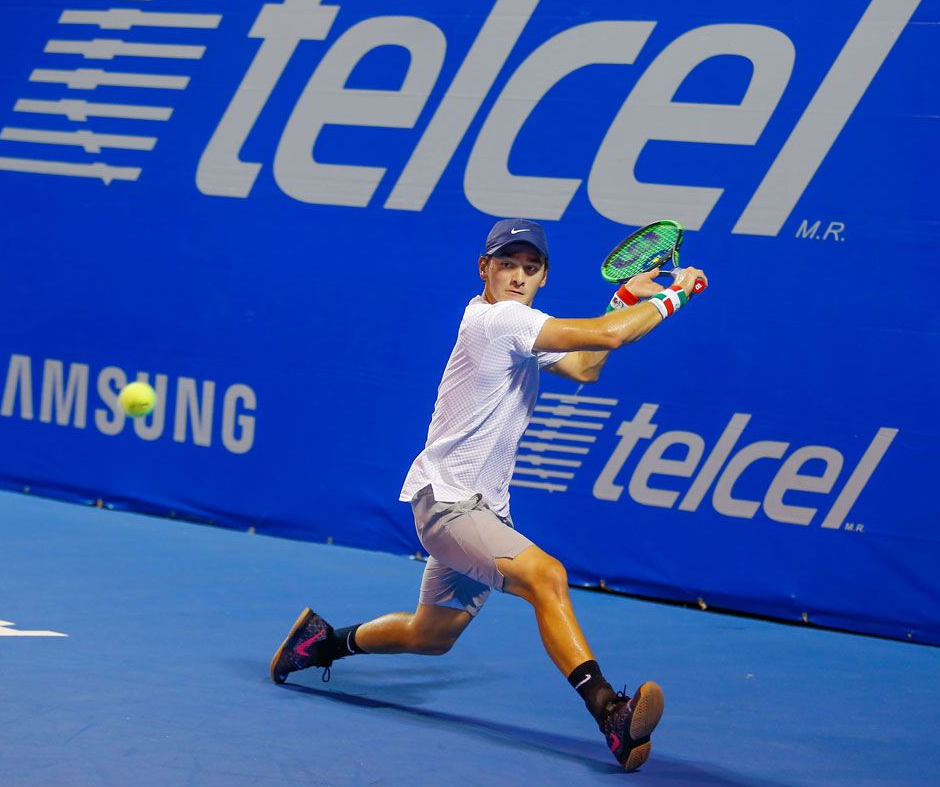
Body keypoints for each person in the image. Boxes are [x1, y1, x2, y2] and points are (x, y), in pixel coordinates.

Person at [270, 218, 708, 772]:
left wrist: (624, 298)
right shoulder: (499, 320)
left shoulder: (517, 327)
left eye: (531, 267)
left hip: (481, 511)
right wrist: (678, 293)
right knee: (547, 576)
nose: (518, 276)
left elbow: (585, 367)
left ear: (543, 277)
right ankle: (610, 714)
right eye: (507, 264)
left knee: (431, 635)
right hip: (449, 504)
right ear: (485, 269)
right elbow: (610, 336)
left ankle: (319, 643)